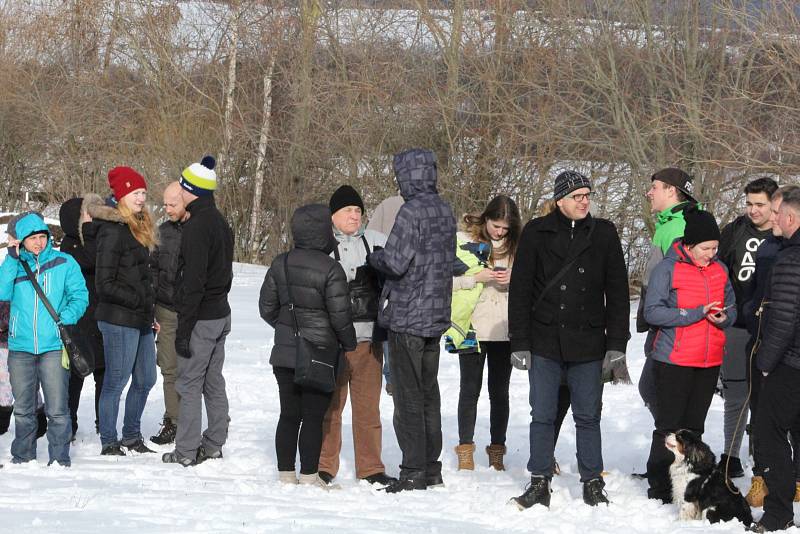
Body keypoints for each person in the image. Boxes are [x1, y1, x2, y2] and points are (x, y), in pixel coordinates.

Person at [508, 170, 630, 509]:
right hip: (545, 339)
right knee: (542, 414)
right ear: (560, 199)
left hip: (589, 341)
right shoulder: (536, 232)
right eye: (577, 196)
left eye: (587, 195)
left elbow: (618, 293)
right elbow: (519, 291)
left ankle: (592, 481)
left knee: (588, 416)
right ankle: (539, 481)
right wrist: (519, 341)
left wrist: (617, 344)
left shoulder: (603, 233)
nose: (584, 201)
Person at [368, 148, 457, 493]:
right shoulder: (444, 210)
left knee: (408, 396)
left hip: (408, 316)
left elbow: (396, 262)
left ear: (407, 176)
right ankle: (431, 468)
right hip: (436, 314)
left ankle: (412, 470)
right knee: (429, 393)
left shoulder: (411, 211)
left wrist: (375, 258)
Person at [259, 203, 357, 487]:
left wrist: (288, 330)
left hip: (285, 354)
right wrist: (347, 343)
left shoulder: (281, 262)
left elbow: (266, 308)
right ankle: (310, 476)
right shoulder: (331, 268)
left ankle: (286, 475)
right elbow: (340, 317)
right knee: (313, 417)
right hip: (319, 354)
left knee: (288, 414)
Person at [643, 208, 736, 503]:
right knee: (669, 427)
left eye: (715, 248)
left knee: (695, 428)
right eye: (706, 248)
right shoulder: (668, 269)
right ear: (689, 244)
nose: (711, 253)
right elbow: (652, 311)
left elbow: (732, 306)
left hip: (708, 360)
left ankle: (690, 484)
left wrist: (724, 317)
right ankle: (659, 486)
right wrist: (696, 313)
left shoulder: (720, 269)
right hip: (674, 359)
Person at [317, 185, 395, 486]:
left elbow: (398, 272)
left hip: (370, 339)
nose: (355, 215)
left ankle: (371, 467)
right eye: (348, 210)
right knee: (331, 407)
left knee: (368, 408)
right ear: (333, 215)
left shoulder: (376, 242)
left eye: (358, 211)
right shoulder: (321, 245)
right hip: (333, 341)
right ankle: (325, 465)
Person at [0, 211, 88, 466]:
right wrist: (11, 258)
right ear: (21, 241)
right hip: (20, 347)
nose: (38, 242)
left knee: (58, 409)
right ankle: (23, 456)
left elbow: (80, 296)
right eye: (32, 238)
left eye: (42, 237)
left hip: (53, 346)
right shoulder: (14, 266)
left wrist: (63, 318)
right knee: (24, 409)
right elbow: (2, 293)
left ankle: (59, 459)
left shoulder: (64, 262)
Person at [162, 156, 234, 467]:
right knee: (213, 380)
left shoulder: (196, 227)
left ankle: (186, 451)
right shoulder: (220, 222)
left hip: (202, 316)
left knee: (189, 382)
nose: (179, 188)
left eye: (183, 184)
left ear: (192, 190)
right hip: (220, 313)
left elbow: (193, 282)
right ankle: (214, 443)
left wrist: (184, 330)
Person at [88, 166, 158, 456]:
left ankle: (131, 435)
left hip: (140, 317)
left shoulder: (138, 226)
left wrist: (148, 310)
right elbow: (104, 284)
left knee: (146, 378)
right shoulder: (113, 231)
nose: (141, 198)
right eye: (135, 193)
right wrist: (138, 300)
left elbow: (140, 278)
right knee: (116, 379)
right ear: (121, 195)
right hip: (118, 318)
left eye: (143, 192)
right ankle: (109, 440)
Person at [451, 195, 521, 471]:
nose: (499, 232)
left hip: (504, 330)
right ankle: (465, 449)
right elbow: (446, 282)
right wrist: (476, 279)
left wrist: (513, 279)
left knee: (499, 391)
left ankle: (497, 450)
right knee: (469, 389)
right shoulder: (463, 242)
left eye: (505, 228)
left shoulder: (519, 246)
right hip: (470, 326)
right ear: (486, 218)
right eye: (495, 225)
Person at [742, 185, 800, 507]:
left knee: (769, 431)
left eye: (777, 212)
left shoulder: (790, 258)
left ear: (790, 216)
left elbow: (783, 319)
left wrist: (764, 361)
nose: (771, 217)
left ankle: (778, 511)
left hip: (788, 361)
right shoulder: (772, 250)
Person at [716, 177, 778, 478]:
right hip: (737, 325)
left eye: (760, 205)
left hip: (772, 330)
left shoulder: (783, 233)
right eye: (749, 204)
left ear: (774, 204)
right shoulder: (735, 230)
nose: (753, 210)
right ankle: (730, 456)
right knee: (736, 395)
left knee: (768, 398)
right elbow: (717, 270)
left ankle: (768, 458)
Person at [637, 168, 697, 420]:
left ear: (672, 191)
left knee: (652, 388)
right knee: (654, 389)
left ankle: (678, 441)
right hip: (662, 319)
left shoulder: (679, 227)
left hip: (669, 323)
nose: (649, 193)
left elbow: (680, 281)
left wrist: (660, 316)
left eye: (655, 187)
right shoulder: (668, 224)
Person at [59, 197, 106, 441]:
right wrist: (88, 230)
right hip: (80, 317)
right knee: (77, 372)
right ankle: (70, 423)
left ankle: (103, 422)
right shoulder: (69, 244)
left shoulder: (98, 238)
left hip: (102, 314)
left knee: (103, 372)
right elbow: (91, 260)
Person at [149, 182, 187, 446]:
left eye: (172, 204)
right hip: (165, 310)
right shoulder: (162, 233)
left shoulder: (203, 231)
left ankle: (200, 422)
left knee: (198, 371)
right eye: (164, 204)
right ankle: (173, 421)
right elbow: (151, 271)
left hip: (196, 313)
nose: (167, 209)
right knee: (169, 369)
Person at [366, 193, 404, 395]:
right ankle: (393, 377)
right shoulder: (433, 206)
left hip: (388, 272)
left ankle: (392, 377)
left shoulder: (387, 204)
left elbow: (371, 237)